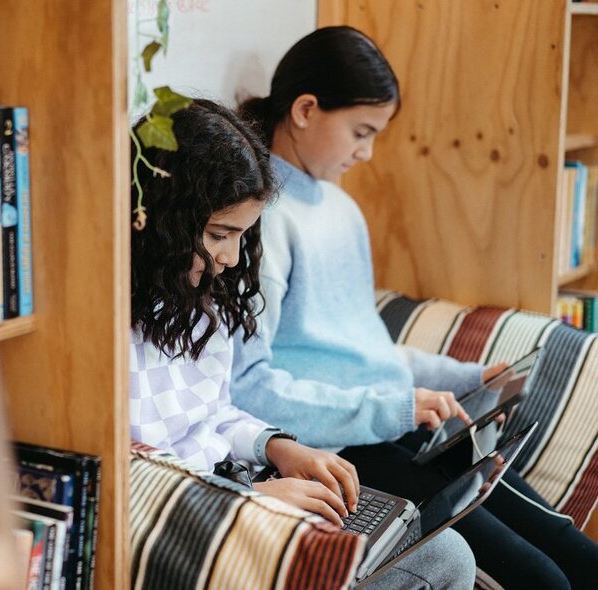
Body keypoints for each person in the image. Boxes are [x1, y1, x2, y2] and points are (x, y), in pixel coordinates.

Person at [232, 25, 598, 589]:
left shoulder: (341, 209)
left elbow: (368, 352)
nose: (367, 152)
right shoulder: (259, 221)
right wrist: (396, 410)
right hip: (341, 449)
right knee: (542, 579)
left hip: (398, 428)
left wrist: (471, 378)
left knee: (576, 552)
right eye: (361, 131)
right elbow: (248, 387)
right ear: (305, 109)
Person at [130, 97, 475, 589]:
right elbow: (140, 476)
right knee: (439, 560)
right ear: (164, 219)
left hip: (239, 488)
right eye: (218, 234)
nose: (230, 257)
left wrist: (277, 445)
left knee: (440, 548)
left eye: (240, 237)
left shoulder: (197, 308)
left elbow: (215, 413)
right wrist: (252, 496)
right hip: (198, 523)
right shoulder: (110, 334)